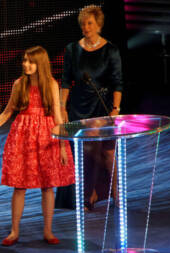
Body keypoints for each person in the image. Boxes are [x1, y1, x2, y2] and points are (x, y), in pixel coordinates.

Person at [0, 46, 75, 246]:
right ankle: (14, 231)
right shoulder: (19, 84)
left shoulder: (51, 84)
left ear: (40, 64)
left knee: (47, 185)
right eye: (24, 60)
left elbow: (58, 116)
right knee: (20, 186)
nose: (26, 65)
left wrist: (62, 146)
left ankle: (48, 231)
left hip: (46, 136)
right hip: (23, 136)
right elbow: (7, 112)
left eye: (30, 61)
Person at [55, 5, 123, 211]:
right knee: (87, 154)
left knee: (108, 152)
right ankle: (87, 195)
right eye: (83, 24)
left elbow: (117, 82)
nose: (86, 27)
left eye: (90, 23)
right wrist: (62, 107)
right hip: (79, 107)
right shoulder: (72, 50)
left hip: (103, 106)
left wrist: (115, 108)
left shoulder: (110, 50)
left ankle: (115, 192)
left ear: (99, 25)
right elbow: (66, 81)